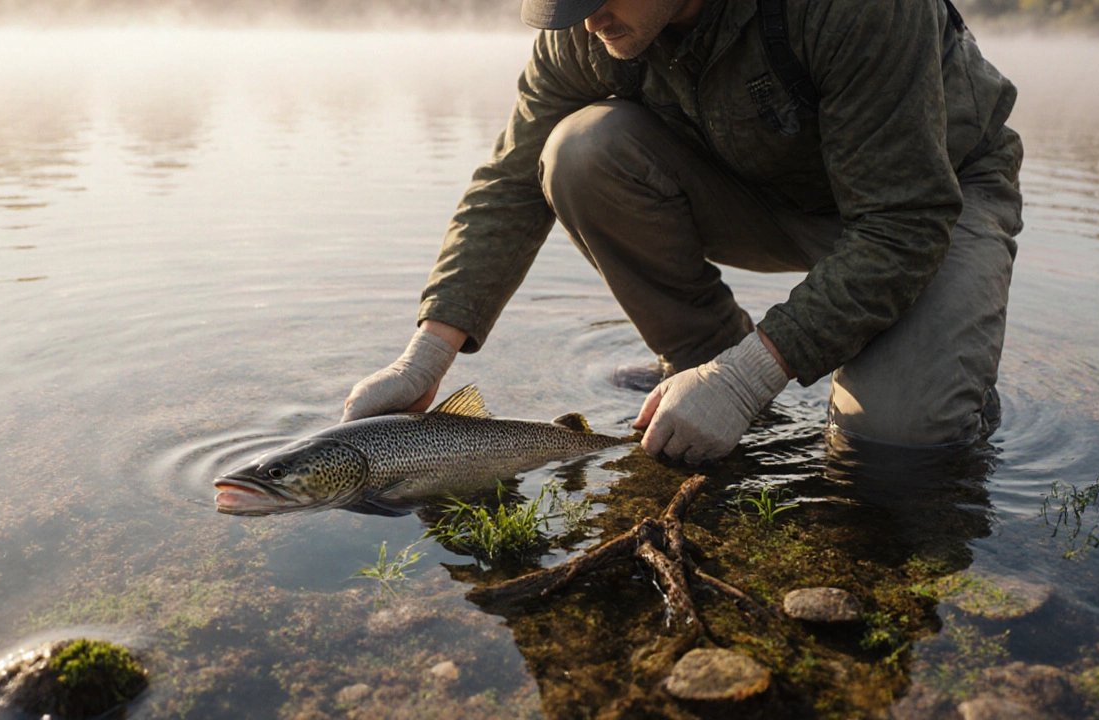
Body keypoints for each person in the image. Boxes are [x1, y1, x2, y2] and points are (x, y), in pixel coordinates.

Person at [342, 0, 1023, 464]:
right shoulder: (588, 27)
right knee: (578, 151)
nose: (587, 20)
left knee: (896, 444)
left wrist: (748, 379)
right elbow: (511, 180)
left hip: (931, 200)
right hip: (760, 190)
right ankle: (703, 356)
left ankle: (943, 381)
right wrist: (425, 358)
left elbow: (902, 220)